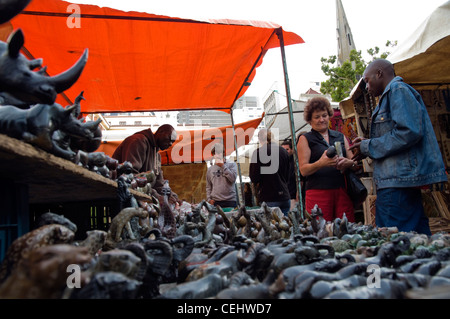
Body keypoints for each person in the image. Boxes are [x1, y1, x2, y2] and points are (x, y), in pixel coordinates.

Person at [350, 59, 448, 235]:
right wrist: (365, 146)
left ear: (379, 73)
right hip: (400, 181)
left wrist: (368, 145)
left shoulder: (397, 91)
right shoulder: (392, 94)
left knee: (394, 243)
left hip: (396, 184)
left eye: (367, 80)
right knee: (417, 243)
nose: (366, 87)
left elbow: (407, 132)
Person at [297, 96, 356, 222]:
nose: (321, 120)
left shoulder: (340, 136)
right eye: (317, 117)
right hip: (317, 192)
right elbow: (303, 170)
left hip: (341, 191)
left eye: (324, 115)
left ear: (329, 115)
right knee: (321, 231)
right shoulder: (305, 139)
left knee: (346, 228)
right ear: (310, 120)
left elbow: (354, 162)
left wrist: (348, 163)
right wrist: (321, 163)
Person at [112, 124, 179, 203]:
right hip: (121, 194)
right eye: (170, 138)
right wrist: (156, 196)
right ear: (160, 132)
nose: (171, 144)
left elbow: (159, 184)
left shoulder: (157, 156)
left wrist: (174, 198)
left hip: (138, 196)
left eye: (173, 142)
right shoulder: (138, 141)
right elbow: (130, 175)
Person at [250, 128, 290, 215]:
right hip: (284, 196)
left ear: (260, 139)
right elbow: (288, 175)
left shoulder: (257, 153)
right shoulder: (284, 151)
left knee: (270, 226)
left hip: (268, 196)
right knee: (286, 225)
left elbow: (254, 177)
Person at [206, 143, 238, 208]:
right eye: (216, 153)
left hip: (230, 200)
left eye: (220, 152)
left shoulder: (232, 164)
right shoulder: (210, 169)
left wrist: (223, 166)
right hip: (216, 201)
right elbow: (208, 186)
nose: (218, 155)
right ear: (212, 155)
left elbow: (233, 179)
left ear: (223, 153)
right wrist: (209, 199)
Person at [281, 138, 299, 211]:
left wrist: (297, 196)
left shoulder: (295, 162)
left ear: (292, 150)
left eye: (287, 149)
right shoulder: (282, 162)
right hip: (285, 196)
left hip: (293, 196)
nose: (285, 152)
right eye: (283, 150)